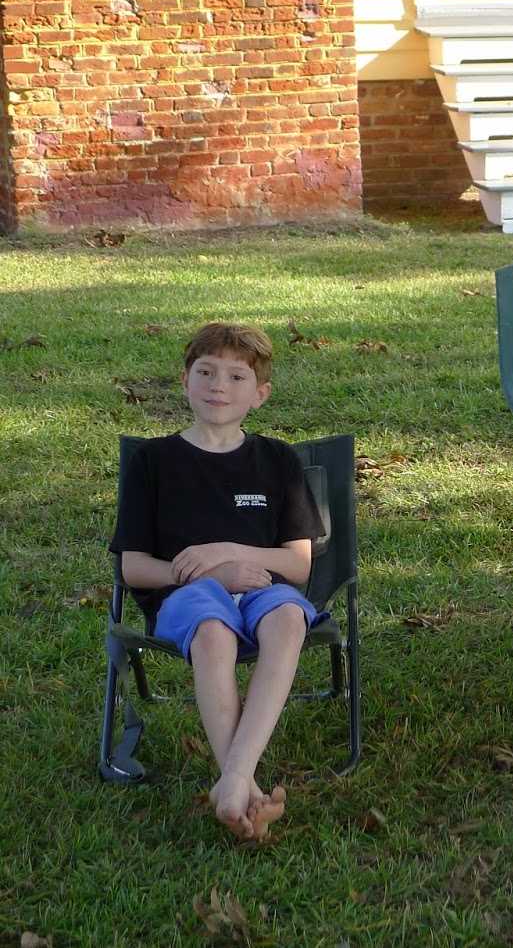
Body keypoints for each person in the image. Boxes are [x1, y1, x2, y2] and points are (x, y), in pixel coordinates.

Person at [109, 323, 326, 840]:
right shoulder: (153, 461)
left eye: (236, 376)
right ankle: (241, 782)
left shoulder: (277, 460)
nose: (218, 386)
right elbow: (133, 567)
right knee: (213, 632)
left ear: (260, 395)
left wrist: (227, 552)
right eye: (205, 372)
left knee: (289, 617)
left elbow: (298, 565)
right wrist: (211, 573)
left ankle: (232, 778)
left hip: (262, 588)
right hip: (187, 595)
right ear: (184, 380)